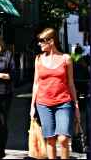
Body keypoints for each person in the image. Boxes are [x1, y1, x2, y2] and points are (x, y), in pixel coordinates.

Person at [30, 28, 80, 159]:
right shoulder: (38, 59)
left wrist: (76, 105)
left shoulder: (66, 58)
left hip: (63, 102)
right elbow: (36, 83)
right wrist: (32, 106)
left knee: (63, 138)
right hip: (43, 104)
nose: (39, 44)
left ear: (51, 41)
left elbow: (71, 83)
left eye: (42, 41)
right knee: (50, 139)